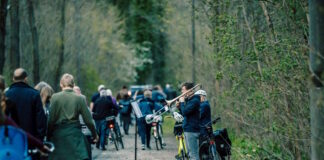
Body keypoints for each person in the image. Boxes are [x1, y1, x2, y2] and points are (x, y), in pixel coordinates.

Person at [47, 73, 98, 160]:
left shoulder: (55, 97)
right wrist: (95, 135)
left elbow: (51, 120)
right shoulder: (80, 98)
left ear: (61, 84)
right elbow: (88, 120)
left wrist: (48, 136)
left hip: (58, 138)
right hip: (75, 137)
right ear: (73, 84)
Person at [5, 68, 47, 141]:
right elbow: (40, 121)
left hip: (11, 140)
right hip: (31, 140)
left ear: (13, 79)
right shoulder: (34, 94)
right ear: (26, 79)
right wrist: (39, 139)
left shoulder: (6, 95)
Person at [177, 82, 200, 160]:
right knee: (190, 154)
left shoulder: (195, 100)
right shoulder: (190, 100)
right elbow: (185, 113)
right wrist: (179, 106)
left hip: (192, 130)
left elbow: (185, 112)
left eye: (183, 90)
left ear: (190, 91)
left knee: (193, 155)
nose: (182, 92)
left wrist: (182, 102)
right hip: (188, 129)